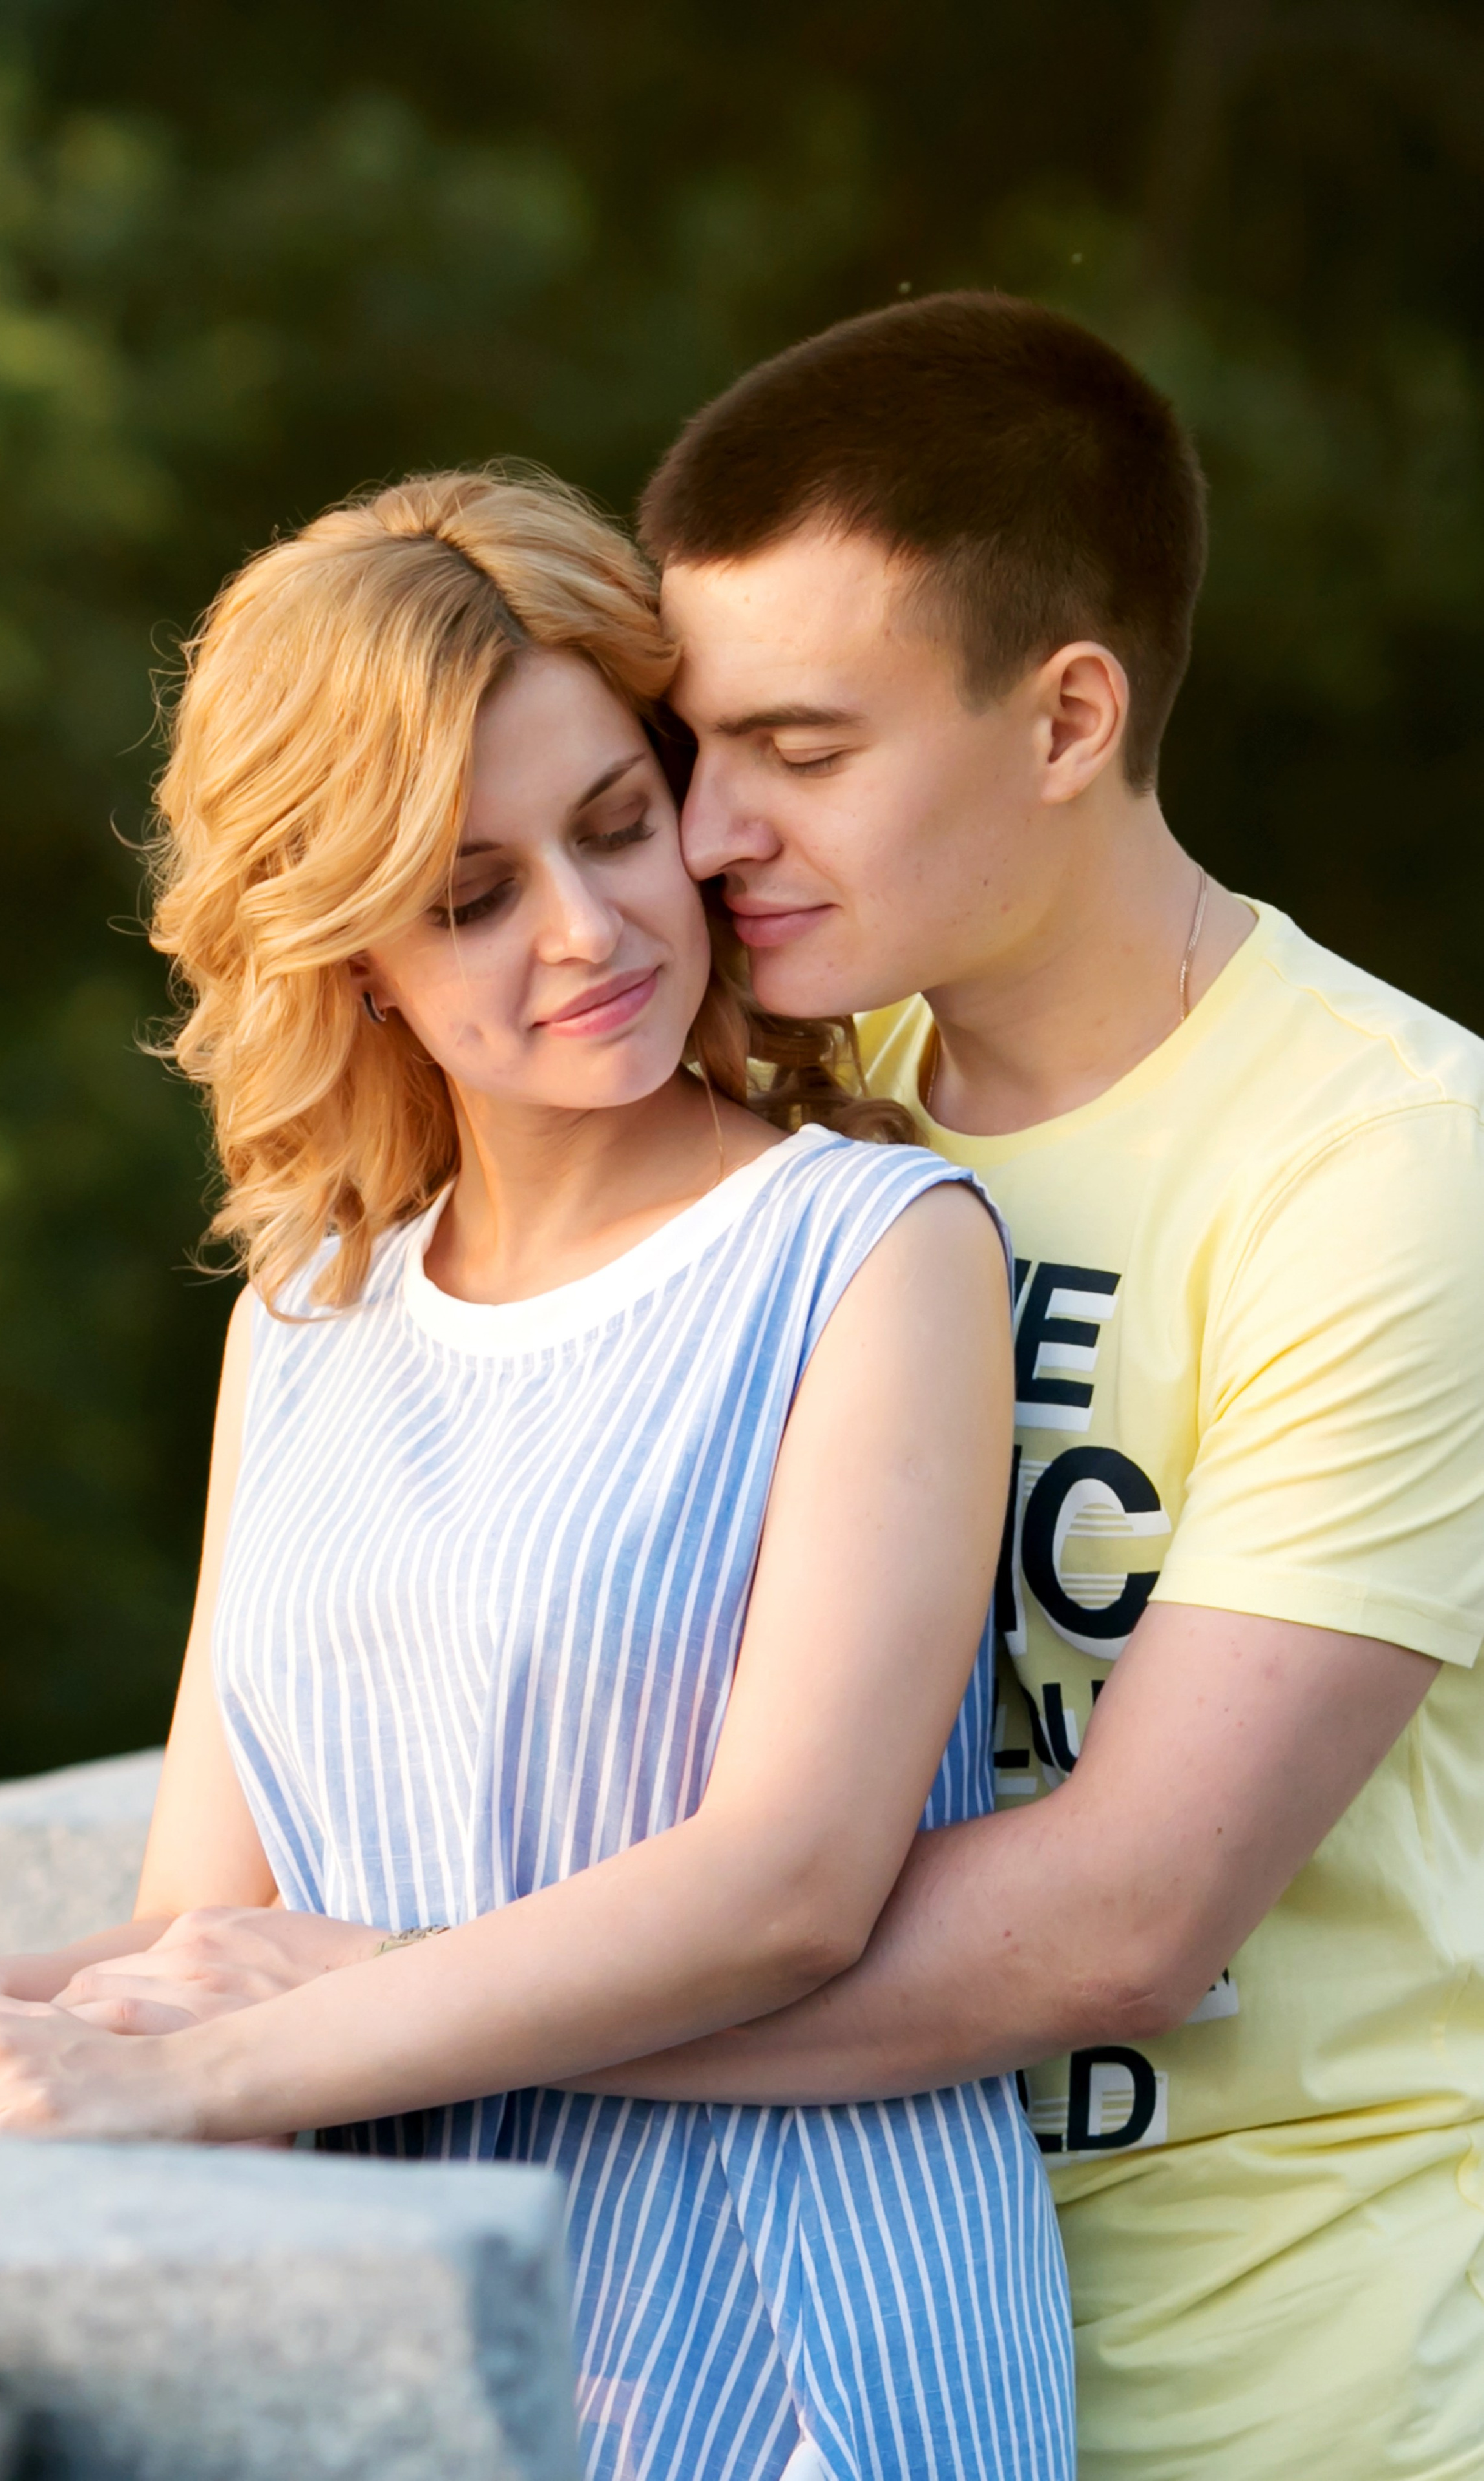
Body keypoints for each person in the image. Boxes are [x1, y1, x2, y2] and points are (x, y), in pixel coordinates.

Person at [0, 470, 1074, 2481]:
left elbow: (787, 1887)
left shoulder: (873, 1250)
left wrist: (183, 2078)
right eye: (469, 893)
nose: (587, 932)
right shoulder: (311, 1321)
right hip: (388, 2335)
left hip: (780, 2322)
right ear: (352, 963)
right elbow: (208, 1909)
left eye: (614, 825)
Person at [552, 292, 1482, 2481]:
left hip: (1283, 2402)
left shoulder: (1392, 1162)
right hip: (818, 2365)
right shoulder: (792, 1109)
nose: (707, 837)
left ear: (1068, 718)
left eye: (807, 750)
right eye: (697, 751)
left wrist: (403, 2023)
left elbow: (1126, 1919)